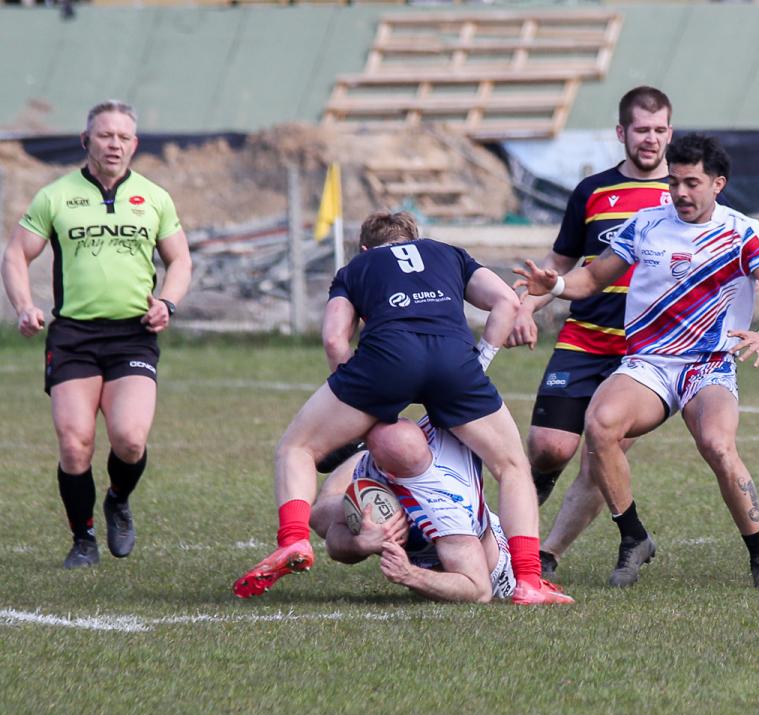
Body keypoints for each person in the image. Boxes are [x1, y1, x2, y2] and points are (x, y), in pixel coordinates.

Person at [233, 211, 572, 604]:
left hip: (386, 359)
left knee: (298, 448)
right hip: (453, 360)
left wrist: (353, 391)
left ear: (365, 248)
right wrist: (481, 360)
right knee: (512, 467)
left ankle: (293, 540)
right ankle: (528, 580)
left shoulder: (356, 267)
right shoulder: (447, 253)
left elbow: (334, 339)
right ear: (416, 238)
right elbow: (507, 301)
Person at [517, 133, 759, 590]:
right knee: (600, 425)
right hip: (649, 363)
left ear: (718, 184)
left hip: (708, 365)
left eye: (692, 183)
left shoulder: (743, 231)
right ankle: (633, 537)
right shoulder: (645, 224)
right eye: (674, 182)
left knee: (718, 445)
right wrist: (556, 286)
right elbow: (591, 279)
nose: (680, 193)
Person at [1, 100, 192, 569]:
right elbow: (16, 254)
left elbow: (180, 260)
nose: (114, 144)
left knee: (129, 440)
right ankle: (83, 539)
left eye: (123, 137)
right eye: (105, 135)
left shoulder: (154, 197)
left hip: (133, 335)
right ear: (86, 140)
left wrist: (167, 303)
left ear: (135, 144)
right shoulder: (56, 196)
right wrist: (24, 306)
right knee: (75, 444)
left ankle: (118, 499)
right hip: (73, 337)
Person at [506, 86, 673, 580]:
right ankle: (509, 524)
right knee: (548, 447)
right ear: (621, 133)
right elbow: (559, 264)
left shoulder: (685, 193)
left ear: (671, 133)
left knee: (602, 452)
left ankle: (546, 554)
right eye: (641, 130)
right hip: (584, 337)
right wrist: (525, 307)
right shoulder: (593, 191)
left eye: (660, 129)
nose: (650, 139)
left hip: (644, 353)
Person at [311, 416, 516, 603]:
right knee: (319, 516)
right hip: (399, 470)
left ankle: (359, 454)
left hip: (492, 570)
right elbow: (333, 535)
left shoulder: (446, 513)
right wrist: (359, 544)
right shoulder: (431, 427)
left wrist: (409, 574)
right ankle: (360, 452)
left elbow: (479, 590)